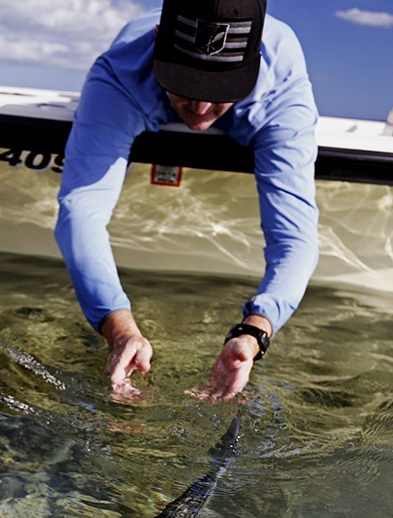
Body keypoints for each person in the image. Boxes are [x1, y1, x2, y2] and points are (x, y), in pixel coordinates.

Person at [54, 0, 319, 401]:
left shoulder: (282, 89)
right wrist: (119, 327)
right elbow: (80, 211)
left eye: (219, 91)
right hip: (133, 85)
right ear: (159, 43)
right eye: (185, 85)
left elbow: (295, 239)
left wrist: (254, 333)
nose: (198, 109)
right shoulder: (121, 71)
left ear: (256, 56)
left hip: (269, 96)